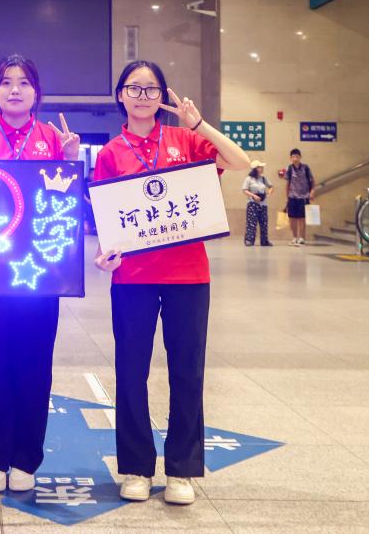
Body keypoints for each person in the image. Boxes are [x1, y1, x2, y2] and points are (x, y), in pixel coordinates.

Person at [93, 60, 249, 506]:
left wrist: (198, 123)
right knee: (131, 371)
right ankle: (136, 467)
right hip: (133, 278)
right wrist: (104, 256)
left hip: (188, 275)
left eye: (151, 89)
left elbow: (240, 162)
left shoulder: (187, 140)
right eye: (134, 88)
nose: (142, 96)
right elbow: (107, 215)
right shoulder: (111, 153)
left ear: (163, 96)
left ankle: (182, 469)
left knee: (187, 371)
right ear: (120, 95)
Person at [0, 54, 80, 493]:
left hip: (38, 277)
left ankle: (26, 458)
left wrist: (71, 163)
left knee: (33, 364)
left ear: (36, 92)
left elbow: (67, 210)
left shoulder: (53, 139)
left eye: (24, 82)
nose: (14, 89)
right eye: (6, 82)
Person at [284, 148, 315, 246]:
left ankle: (302, 238)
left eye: (297, 156)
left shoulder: (305, 168)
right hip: (292, 197)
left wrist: (312, 192)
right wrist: (287, 197)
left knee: (302, 218)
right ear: (290, 158)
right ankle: (294, 237)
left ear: (300, 157)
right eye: (293, 157)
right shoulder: (289, 169)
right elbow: (287, 183)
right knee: (292, 218)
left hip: (304, 197)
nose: (295, 158)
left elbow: (312, 181)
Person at [241, 160, 273, 247]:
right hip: (252, 204)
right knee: (251, 222)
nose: (262, 169)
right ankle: (249, 240)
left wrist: (268, 193)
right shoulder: (249, 179)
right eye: (260, 167)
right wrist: (253, 196)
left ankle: (264, 241)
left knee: (264, 223)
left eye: (262, 167)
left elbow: (271, 186)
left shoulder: (264, 179)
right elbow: (244, 190)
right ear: (255, 169)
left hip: (263, 204)